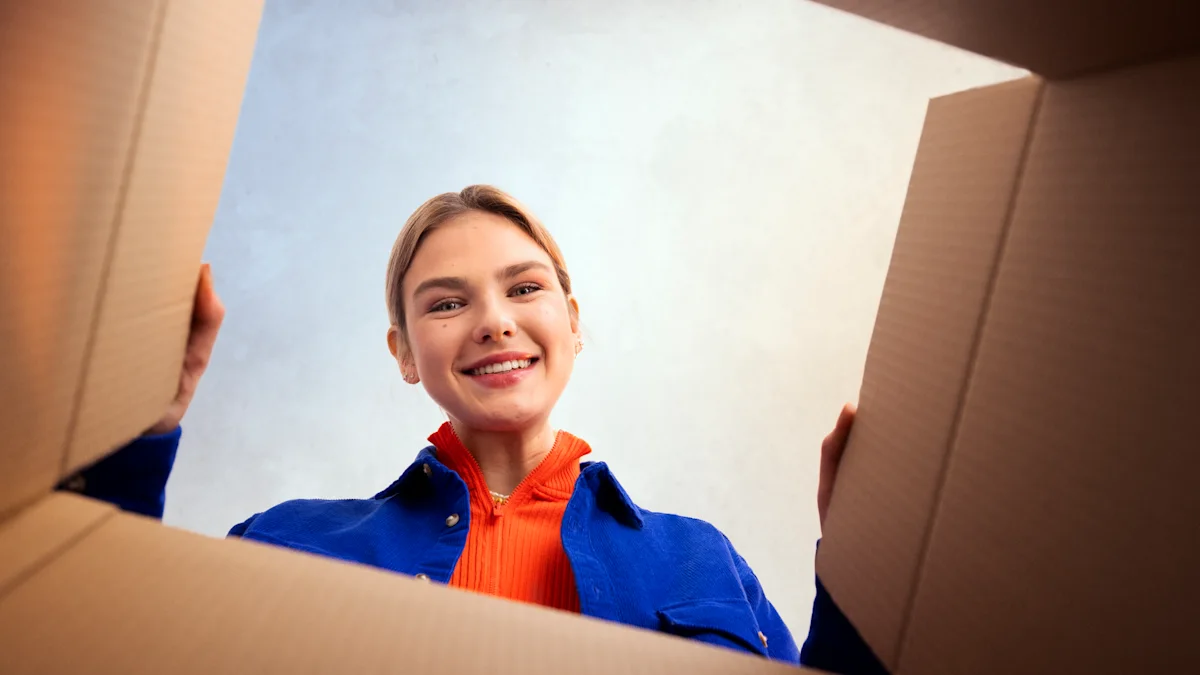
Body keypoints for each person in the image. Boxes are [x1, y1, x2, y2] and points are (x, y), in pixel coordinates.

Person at [61, 185, 885, 674]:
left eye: (523, 288)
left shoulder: (701, 558)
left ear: (571, 319)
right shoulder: (284, 542)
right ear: (405, 354)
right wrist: (131, 434)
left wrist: (868, 568)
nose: (494, 322)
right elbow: (86, 650)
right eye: (447, 302)